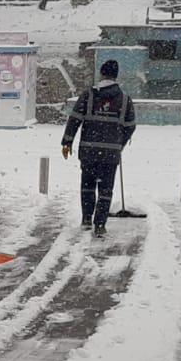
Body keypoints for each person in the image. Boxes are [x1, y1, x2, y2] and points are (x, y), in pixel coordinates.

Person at [61, 59, 137, 237]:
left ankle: (87, 218)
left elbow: (74, 119)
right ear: (116, 76)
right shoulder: (125, 100)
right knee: (106, 188)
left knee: (87, 185)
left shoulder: (88, 95)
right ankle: (100, 224)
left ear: (102, 74)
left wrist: (67, 142)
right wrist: (119, 143)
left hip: (88, 151)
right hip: (110, 154)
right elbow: (131, 125)